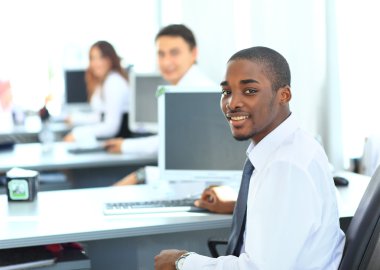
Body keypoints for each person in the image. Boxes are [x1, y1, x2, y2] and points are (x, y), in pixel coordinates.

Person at [154, 46, 345, 269]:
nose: (232, 103)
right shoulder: (292, 146)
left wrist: (183, 261)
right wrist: (241, 206)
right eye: (226, 92)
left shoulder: (285, 166)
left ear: (284, 95)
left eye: (250, 91)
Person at [105, 24, 216, 185]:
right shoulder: (185, 88)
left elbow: (167, 145)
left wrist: (127, 151)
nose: (166, 61)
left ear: (194, 53)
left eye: (174, 53)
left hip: (199, 188)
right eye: (161, 54)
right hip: (189, 184)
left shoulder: (197, 92)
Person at [64, 40, 131, 142]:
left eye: (100, 57)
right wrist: (76, 119)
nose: (95, 63)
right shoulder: (105, 81)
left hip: (117, 143)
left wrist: (78, 134)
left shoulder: (114, 82)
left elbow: (111, 127)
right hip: (111, 142)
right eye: (92, 58)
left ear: (110, 59)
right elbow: (100, 116)